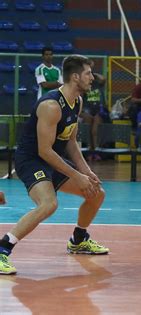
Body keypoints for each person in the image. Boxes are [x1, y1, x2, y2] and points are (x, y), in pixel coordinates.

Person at [0, 55, 109, 275]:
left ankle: (78, 241)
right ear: (75, 76)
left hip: (53, 159)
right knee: (49, 204)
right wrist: (76, 176)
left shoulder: (76, 101)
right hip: (32, 159)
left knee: (96, 193)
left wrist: (86, 172)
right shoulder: (51, 105)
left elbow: (70, 142)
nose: (92, 78)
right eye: (88, 73)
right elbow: (44, 151)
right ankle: (3, 248)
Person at [80, 71, 109, 162]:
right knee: (88, 125)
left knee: (95, 129)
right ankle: (89, 151)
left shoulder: (99, 84)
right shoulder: (84, 86)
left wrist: (94, 74)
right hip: (87, 110)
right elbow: (79, 100)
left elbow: (103, 79)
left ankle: (96, 151)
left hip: (99, 110)